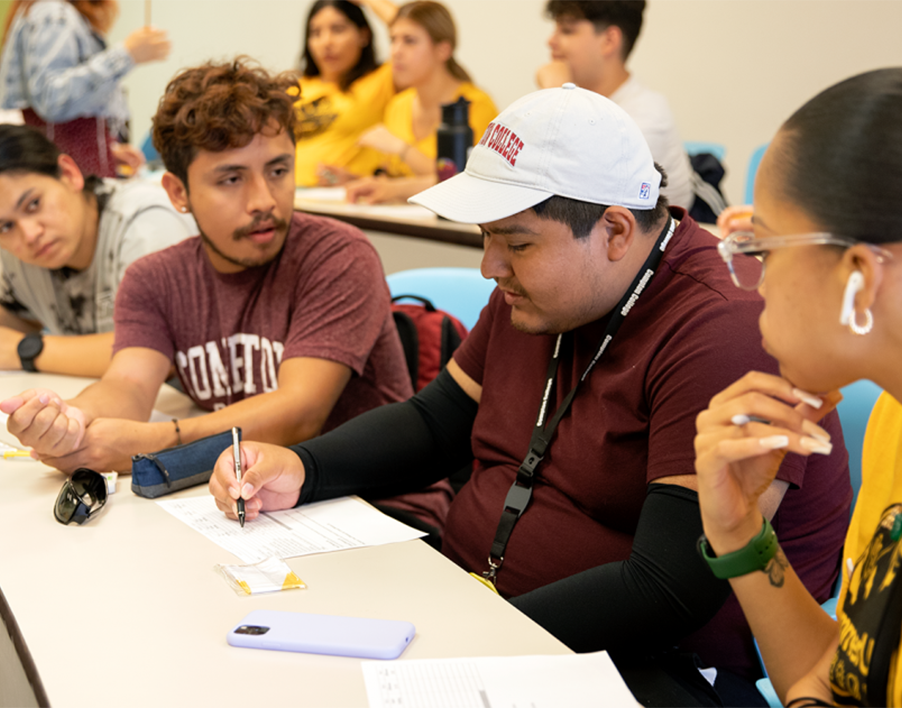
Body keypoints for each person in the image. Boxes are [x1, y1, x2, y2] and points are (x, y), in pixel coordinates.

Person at [208, 84, 850, 705]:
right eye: (489, 237)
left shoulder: (721, 334)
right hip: (480, 613)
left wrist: (471, 641)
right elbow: (438, 424)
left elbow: (667, 588)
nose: (490, 266)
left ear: (617, 232)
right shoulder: (539, 293)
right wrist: (304, 467)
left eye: (515, 243)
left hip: (642, 665)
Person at [0, 59, 448, 525]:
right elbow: (128, 385)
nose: (264, 200)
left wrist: (148, 442)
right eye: (231, 179)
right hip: (248, 506)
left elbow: (298, 414)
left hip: (376, 510)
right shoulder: (155, 279)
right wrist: (69, 422)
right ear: (178, 192)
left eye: (278, 170)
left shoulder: (338, 256)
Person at [694, 68, 902, 707]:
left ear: (859, 277)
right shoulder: (893, 420)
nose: (752, 282)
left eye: (765, 247)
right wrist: (742, 536)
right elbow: (838, 688)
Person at [0, 124, 193, 376]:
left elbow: (159, 354)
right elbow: (15, 310)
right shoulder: (16, 247)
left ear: (69, 174)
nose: (29, 234)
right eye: (4, 227)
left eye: (34, 204)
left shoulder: (146, 224)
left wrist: (22, 350)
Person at [536, 0, 694, 211]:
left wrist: (557, 96)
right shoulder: (588, 107)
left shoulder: (646, 118)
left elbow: (575, 196)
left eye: (567, 30)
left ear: (609, 41)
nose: (551, 41)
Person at [344, 0, 499, 205]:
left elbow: (465, 180)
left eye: (409, 41)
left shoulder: (475, 106)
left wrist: (401, 150)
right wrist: (355, 180)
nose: (396, 52)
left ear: (443, 50)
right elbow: (393, 178)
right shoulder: (398, 105)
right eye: (393, 40)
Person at [0, 0, 171, 178]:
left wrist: (108, 153)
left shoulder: (57, 14)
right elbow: (52, 99)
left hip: (73, 176)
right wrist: (126, 55)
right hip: (69, 184)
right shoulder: (53, 14)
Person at [294, 0, 400, 187]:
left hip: (345, 200)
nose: (326, 42)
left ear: (363, 35)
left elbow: (416, 31)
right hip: (291, 198)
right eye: (316, 33)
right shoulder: (295, 88)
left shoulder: (381, 80)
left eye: (338, 29)